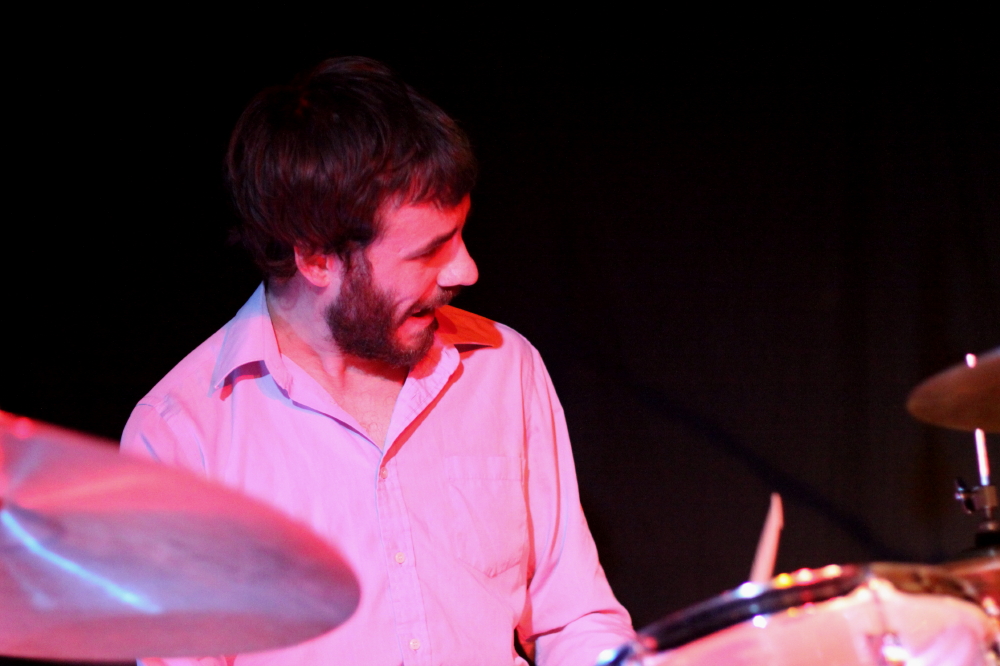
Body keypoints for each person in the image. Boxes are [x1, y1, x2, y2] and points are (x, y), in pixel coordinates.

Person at [121, 56, 634, 666]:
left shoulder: (503, 367)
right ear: (316, 259)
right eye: (428, 251)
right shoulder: (181, 434)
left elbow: (574, 620)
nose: (467, 270)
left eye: (461, 235)